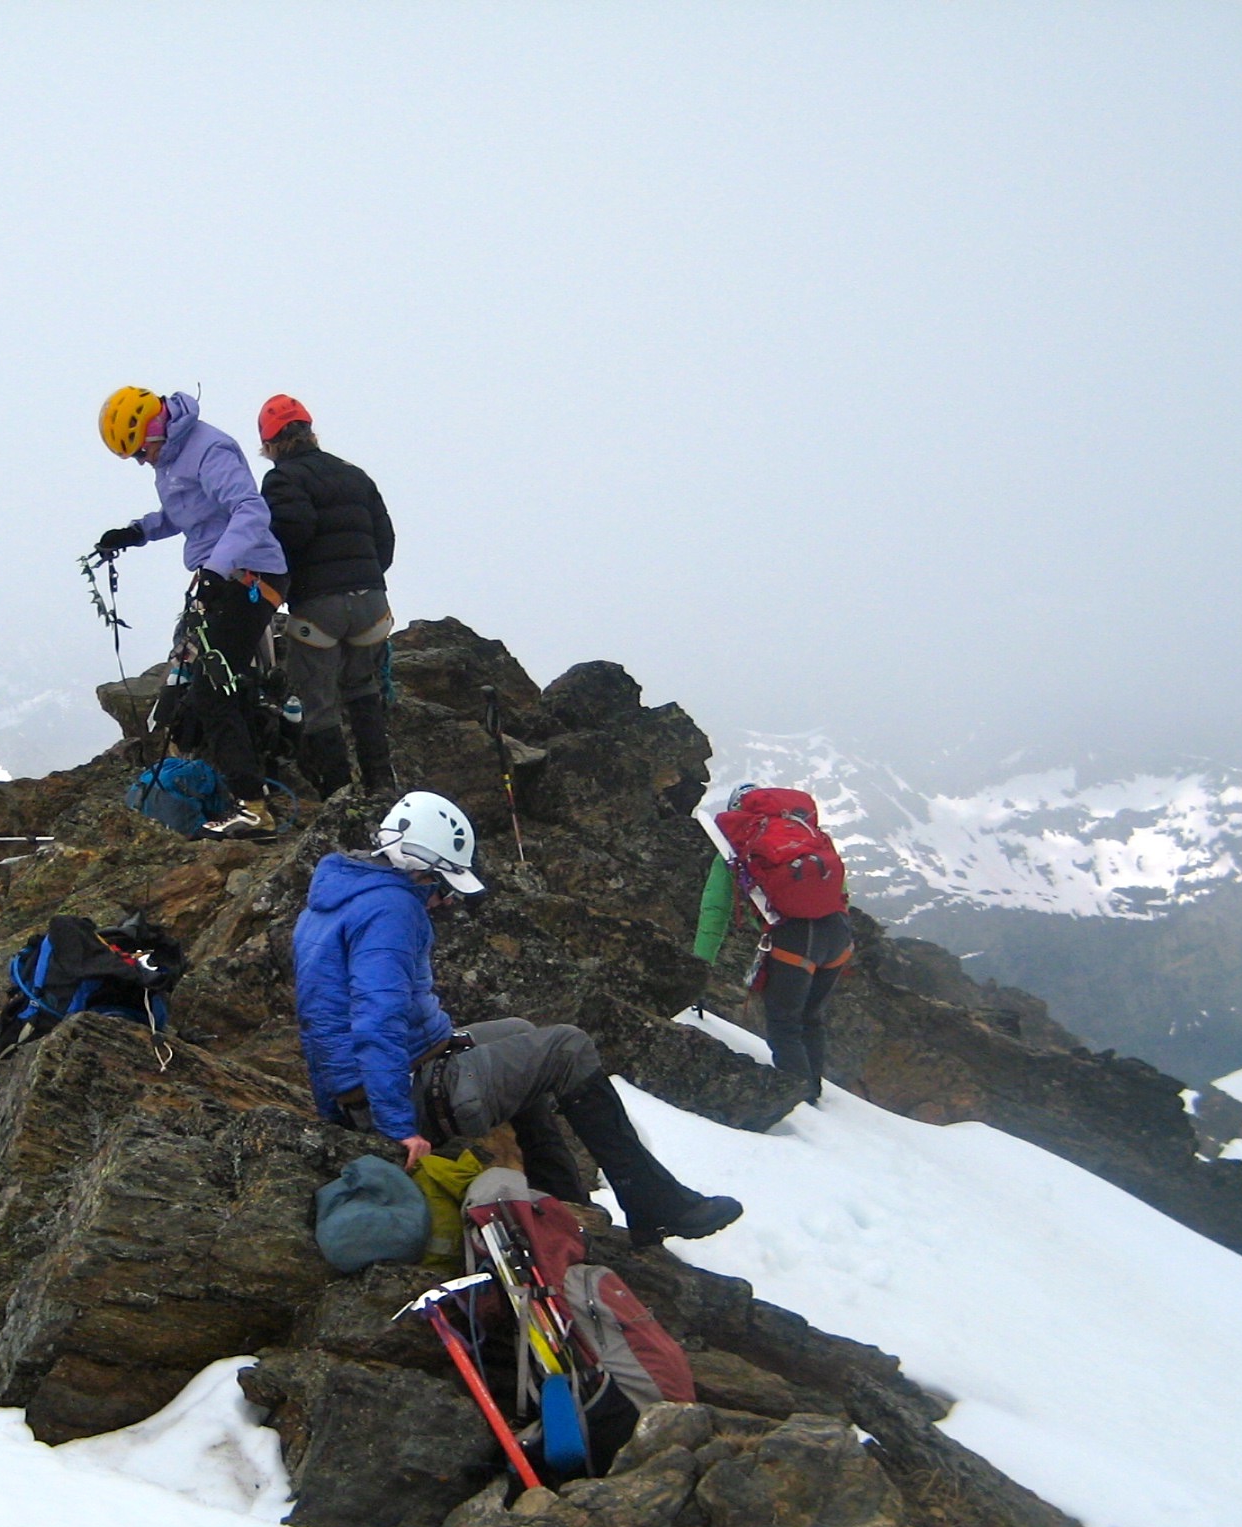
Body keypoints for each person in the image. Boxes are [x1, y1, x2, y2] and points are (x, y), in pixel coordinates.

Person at [293, 790, 742, 1248]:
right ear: (421, 867)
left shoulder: (337, 896)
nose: (444, 901)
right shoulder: (392, 908)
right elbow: (378, 1019)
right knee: (568, 1047)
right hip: (404, 1092)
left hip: (373, 1088)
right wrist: (396, 1130)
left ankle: (564, 1200)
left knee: (522, 1035)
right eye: (443, 885)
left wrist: (338, 1115)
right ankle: (655, 1204)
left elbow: (318, 1026)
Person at [94, 386, 290, 838]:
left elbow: (249, 509)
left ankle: (252, 808)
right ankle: (250, 793)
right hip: (225, 575)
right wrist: (136, 532)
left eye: (141, 449)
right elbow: (186, 514)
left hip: (248, 575)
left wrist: (217, 571)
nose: (142, 460)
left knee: (211, 689)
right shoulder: (170, 459)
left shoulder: (210, 448)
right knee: (225, 685)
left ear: (155, 427)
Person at [255, 395, 397, 799]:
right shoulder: (355, 475)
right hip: (371, 601)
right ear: (309, 431)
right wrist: (365, 578)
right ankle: (381, 784)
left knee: (318, 703)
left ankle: (341, 796)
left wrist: (286, 583)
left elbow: (292, 532)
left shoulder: (282, 479)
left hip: (319, 606)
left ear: (270, 444)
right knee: (364, 688)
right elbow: (383, 540)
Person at [695, 783, 855, 1104]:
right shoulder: (808, 834)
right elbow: (840, 888)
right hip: (837, 934)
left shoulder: (736, 849)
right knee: (811, 1018)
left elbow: (715, 912)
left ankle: (797, 1102)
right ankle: (813, 1091)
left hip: (793, 939)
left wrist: (698, 969)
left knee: (784, 1024)